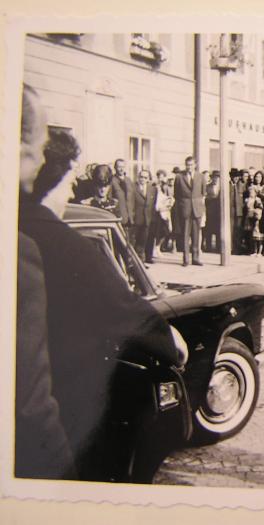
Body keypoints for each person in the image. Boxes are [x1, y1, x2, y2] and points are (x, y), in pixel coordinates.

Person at [19, 124, 183, 483]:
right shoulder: (66, 245)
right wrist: (170, 341)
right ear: (59, 178)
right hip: (61, 422)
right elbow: (125, 312)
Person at [15, 84, 76, 480]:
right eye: (37, 149)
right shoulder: (20, 252)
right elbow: (31, 410)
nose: (41, 162)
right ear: (20, 153)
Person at [173, 156, 207, 266]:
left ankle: (196, 258)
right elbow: (176, 194)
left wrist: (201, 208)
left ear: (195, 165)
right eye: (187, 165)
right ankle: (186, 259)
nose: (189, 167)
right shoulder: (179, 177)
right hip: (185, 208)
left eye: (191, 165)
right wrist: (182, 206)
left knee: (196, 234)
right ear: (185, 165)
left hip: (197, 208)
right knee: (185, 234)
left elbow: (203, 193)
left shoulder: (201, 176)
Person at [132, 169, 156, 262]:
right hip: (136, 219)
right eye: (141, 177)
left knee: (143, 242)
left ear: (148, 179)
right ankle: (135, 262)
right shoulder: (134, 188)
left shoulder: (153, 189)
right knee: (134, 242)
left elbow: (153, 204)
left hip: (147, 219)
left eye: (145, 177)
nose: (143, 179)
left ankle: (141, 262)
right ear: (138, 177)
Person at [112, 158, 135, 240]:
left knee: (130, 242)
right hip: (119, 217)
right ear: (115, 167)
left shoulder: (129, 181)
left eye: (123, 167)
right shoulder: (112, 181)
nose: (121, 169)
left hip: (130, 217)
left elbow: (133, 198)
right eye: (119, 167)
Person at [203, 170, 221, 252]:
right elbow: (204, 197)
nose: (216, 179)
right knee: (209, 230)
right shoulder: (207, 187)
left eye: (217, 177)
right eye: (214, 177)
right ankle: (208, 247)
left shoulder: (222, 187)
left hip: (219, 212)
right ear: (212, 178)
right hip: (209, 211)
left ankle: (218, 248)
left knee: (218, 230)